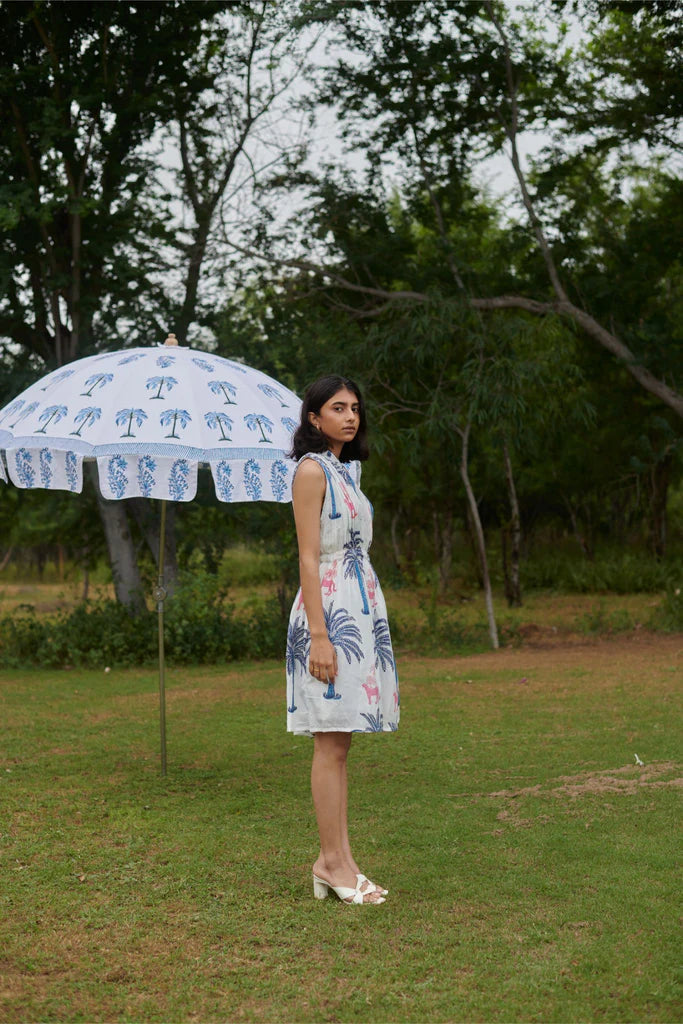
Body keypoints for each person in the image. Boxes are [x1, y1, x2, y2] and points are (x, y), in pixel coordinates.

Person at [286, 375, 399, 906]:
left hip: (359, 604)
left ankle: (341, 859)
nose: (350, 416)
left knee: (342, 740)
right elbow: (308, 557)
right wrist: (321, 636)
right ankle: (332, 864)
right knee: (329, 741)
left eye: (355, 407)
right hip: (328, 613)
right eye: (337, 408)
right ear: (314, 418)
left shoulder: (346, 471)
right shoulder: (311, 472)